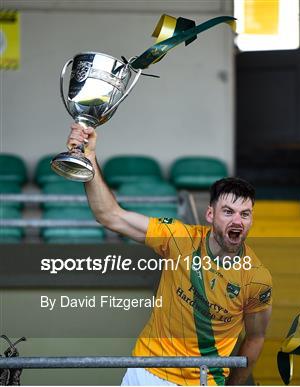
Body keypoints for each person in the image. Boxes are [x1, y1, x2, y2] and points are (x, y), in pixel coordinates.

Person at [67, 123, 272, 386]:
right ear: (210, 214)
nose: (237, 221)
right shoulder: (178, 238)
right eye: (228, 211)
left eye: (245, 214)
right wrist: (89, 157)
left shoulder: (257, 278)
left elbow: (255, 338)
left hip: (202, 380)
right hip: (146, 371)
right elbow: (109, 215)